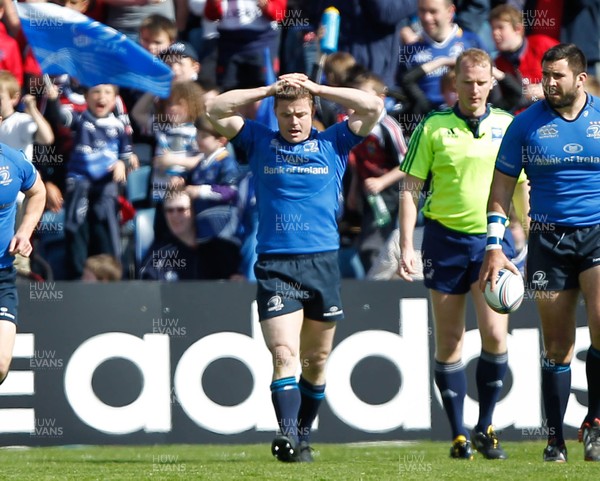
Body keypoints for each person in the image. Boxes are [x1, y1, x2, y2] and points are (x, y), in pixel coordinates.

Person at [206, 72, 383, 462]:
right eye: (285, 115)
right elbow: (213, 107)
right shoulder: (258, 141)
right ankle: (286, 435)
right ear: (276, 114)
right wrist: (267, 90)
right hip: (275, 265)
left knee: (315, 362)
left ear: (312, 112)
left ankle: (302, 434)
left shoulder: (335, 141)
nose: (294, 122)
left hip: (322, 264)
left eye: (301, 113)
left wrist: (319, 88)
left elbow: (374, 106)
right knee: (284, 353)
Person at [399, 48, 529, 460]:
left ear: (492, 82)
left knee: (494, 336)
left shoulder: (509, 125)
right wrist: (406, 243)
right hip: (444, 240)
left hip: (493, 243)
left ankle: (486, 426)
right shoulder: (433, 126)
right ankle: (458, 434)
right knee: (450, 339)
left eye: (481, 81)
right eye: (467, 82)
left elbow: (521, 185)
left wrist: (525, 229)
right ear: (453, 84)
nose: (474, 89)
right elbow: (409, 188)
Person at [479, 43, 600, 463]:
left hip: (597, 234)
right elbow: (499, 192)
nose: (548, 83)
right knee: (558, 345)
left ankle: (596, 426)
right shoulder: (523, 125)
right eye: (545, 75)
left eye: (557, 76)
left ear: (580, 79)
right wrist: (494, 247)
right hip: (548, 241)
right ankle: (555, 440)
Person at [60, 83, 133, 280]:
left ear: (115, 98)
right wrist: (50, 99)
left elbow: (128, 157)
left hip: (105, 192)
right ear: (86, 96)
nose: (101, 97)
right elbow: (59, 117)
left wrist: (121, 164)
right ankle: (77, 281)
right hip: (79, 189)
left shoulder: (119, 126)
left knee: (105, 237)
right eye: (96, 91)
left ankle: (107, 284)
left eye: (108, 92)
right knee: (76, 235)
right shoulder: (79, 120)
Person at [0, 140, 46, 387]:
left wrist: (24, 231)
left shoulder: (14, 161)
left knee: (0, 364)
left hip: (2, 275)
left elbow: (38, 192)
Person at [183, 115, 242, 280]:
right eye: (197, 135)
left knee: (226, 276)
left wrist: (201, 191)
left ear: (221, 140)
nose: (198, 139)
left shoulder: (226, 162)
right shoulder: (200, 165)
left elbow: (232, 191)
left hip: (223, 234)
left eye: (204, 136)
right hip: (203, 234)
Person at [397, 0, 485, 110]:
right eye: (422, 11)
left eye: (433, 11)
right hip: (426, 119)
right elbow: (402, 88)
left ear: (450, 12)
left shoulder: (472, 42)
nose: (427, 17)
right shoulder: (410, 50)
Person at [138, 188, 202, 280]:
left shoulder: (215, 252)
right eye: (169, 210)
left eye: (181, 209)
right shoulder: (160, 257)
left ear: (193, 211)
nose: (175, 215)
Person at [0, 71, 54, 162]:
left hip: (19, 175)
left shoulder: (20, 121)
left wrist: (33, 110)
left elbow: (47, 138)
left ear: (14, 98)